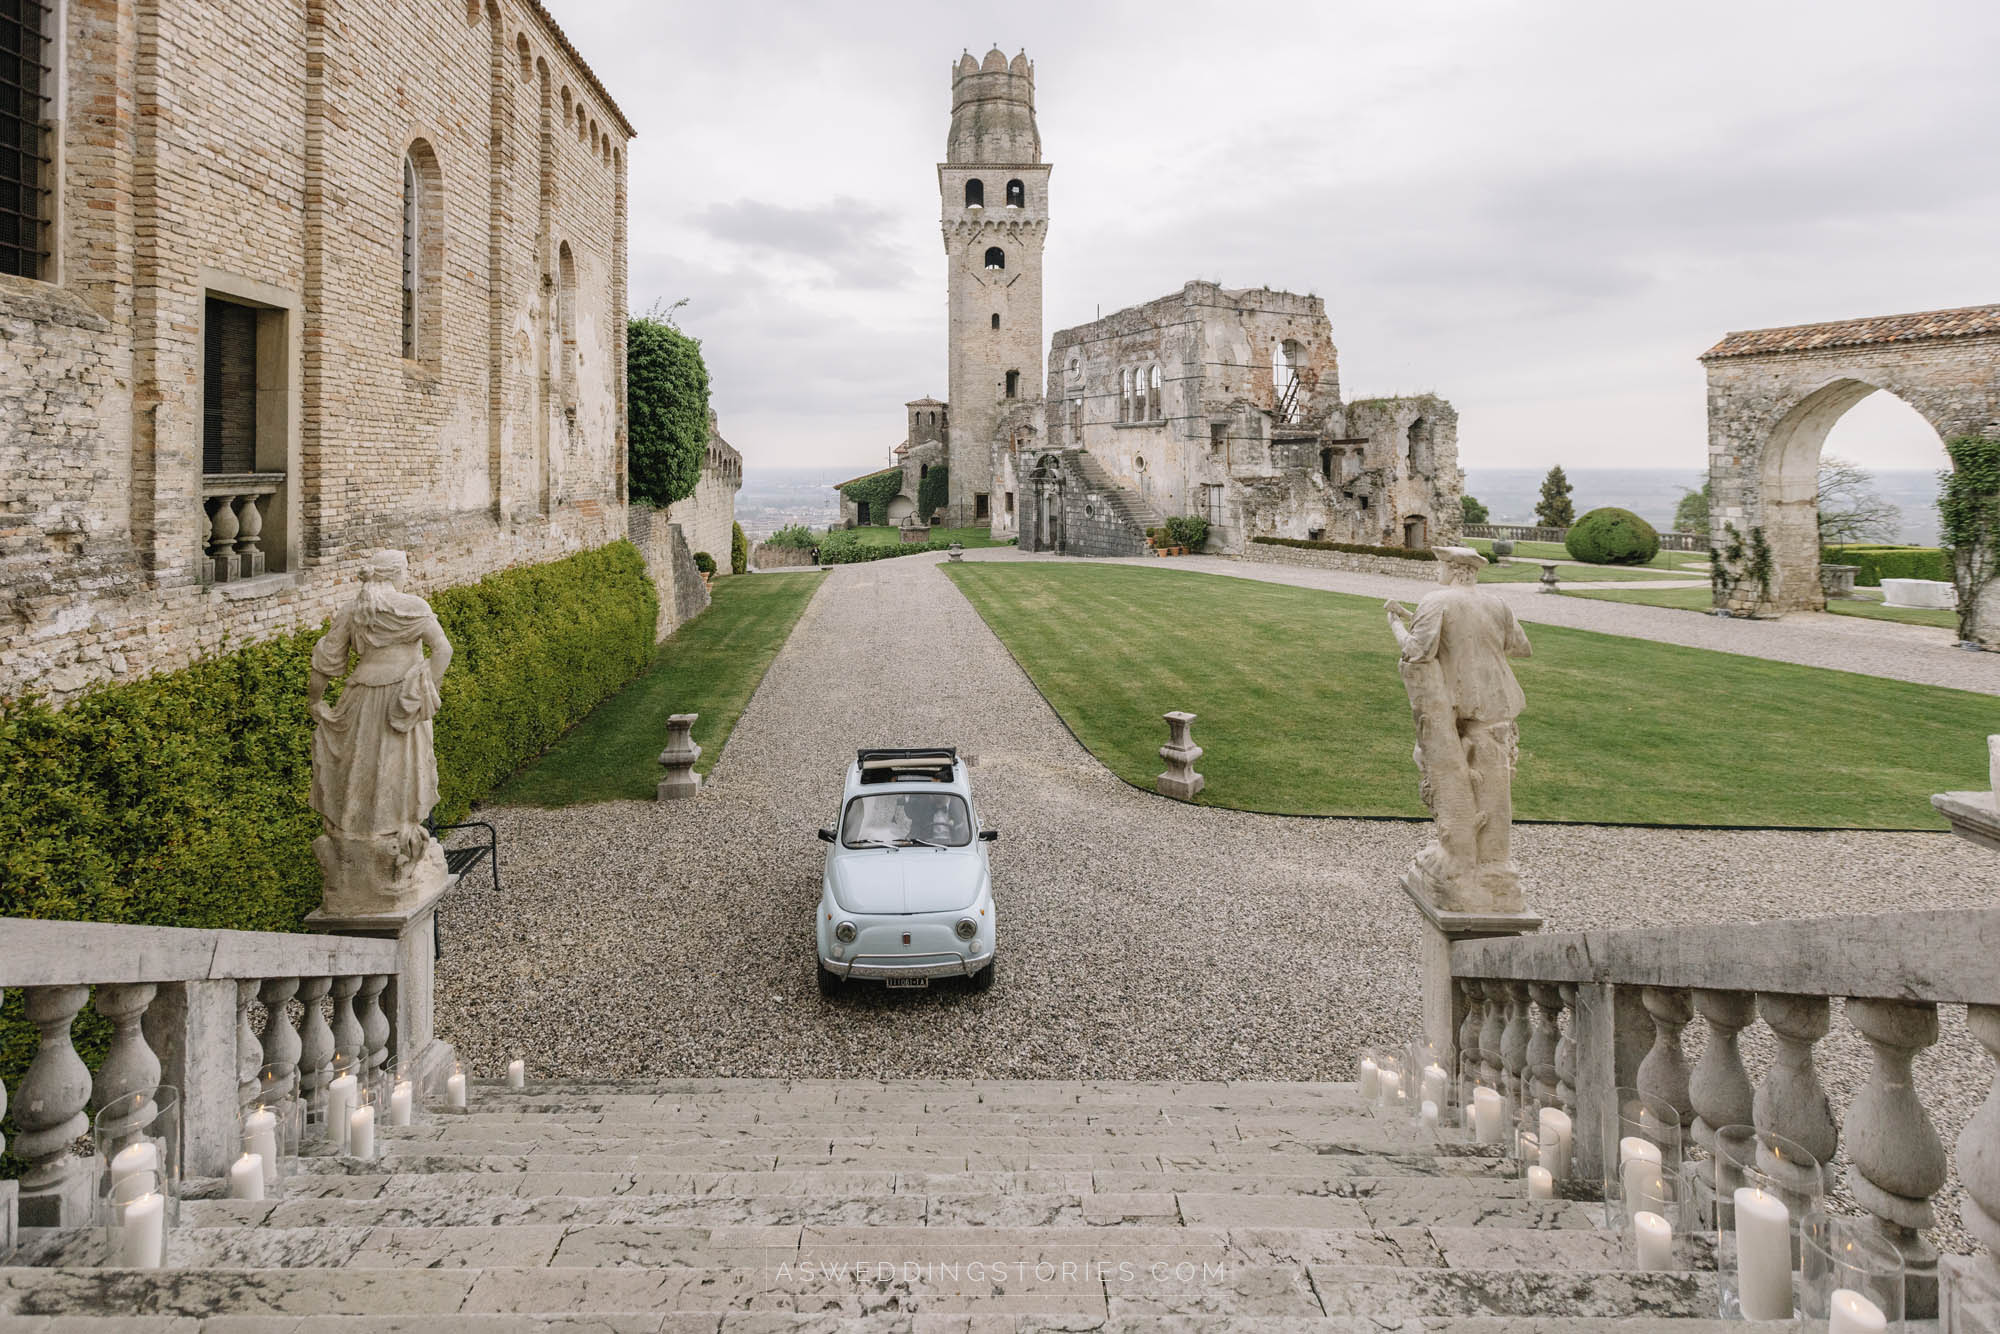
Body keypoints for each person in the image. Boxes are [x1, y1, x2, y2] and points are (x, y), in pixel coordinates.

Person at [1385, 546, 1533, 912]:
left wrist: (1396, 623)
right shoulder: (1496, 602)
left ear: (1453, 568)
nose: (1437, 570)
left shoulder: (1438, 600)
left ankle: (1459, 862)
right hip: (1498, 705)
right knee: (1496, 785)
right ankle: (1494, 868)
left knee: (1442, 770)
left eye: (1440, 564)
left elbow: (1416, 652)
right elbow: (1521, 647)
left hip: (1459, 705)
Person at [308, 549, 453, 911]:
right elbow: (443, 650)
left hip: (359, 698)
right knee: (398, 770)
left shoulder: (354, 610)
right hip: (399, 702)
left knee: (358, 768)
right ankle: (396, 840)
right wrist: (423, 689)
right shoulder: (414, 607)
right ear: (397, 574)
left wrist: (315, 701)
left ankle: (357, 844)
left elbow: (325, 663)